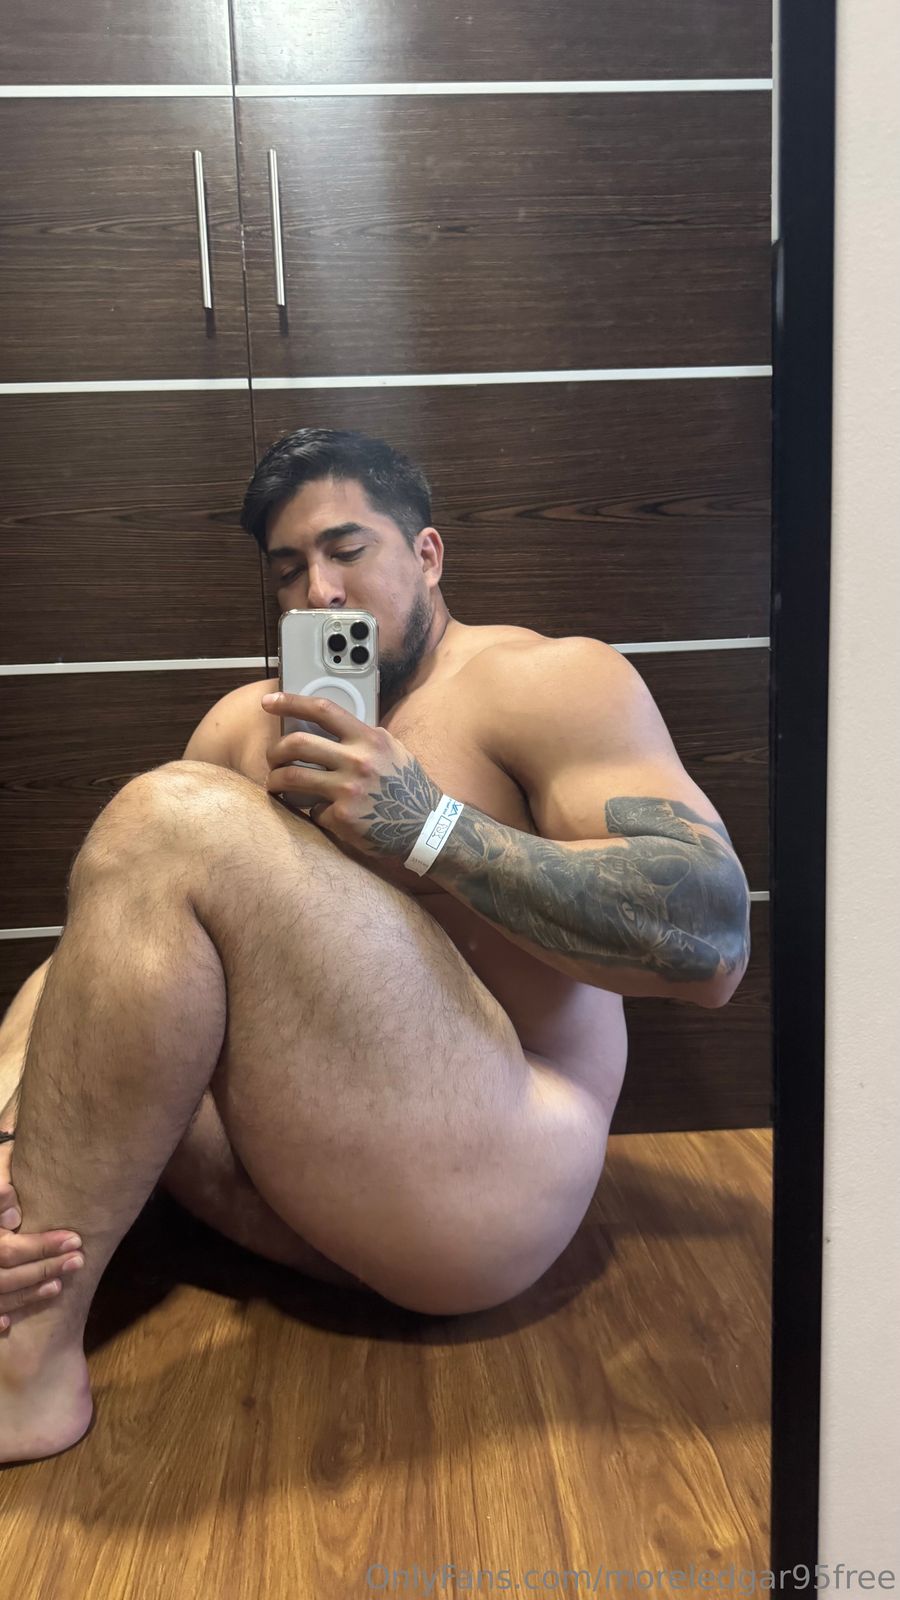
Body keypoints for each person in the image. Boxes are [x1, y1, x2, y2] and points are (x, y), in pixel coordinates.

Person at [0, 428, 751, 1464]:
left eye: (347, 550)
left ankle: (23, 1369)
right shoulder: (247, 727)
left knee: (166, 817)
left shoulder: (545, 682)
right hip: (307, 1182)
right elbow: (123, 974)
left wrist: (427, 825)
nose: (319, 591)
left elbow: (714, 941)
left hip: (495, 1176)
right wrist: (14, 1142)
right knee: (113, 932)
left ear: (427, 553)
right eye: (288, 569)